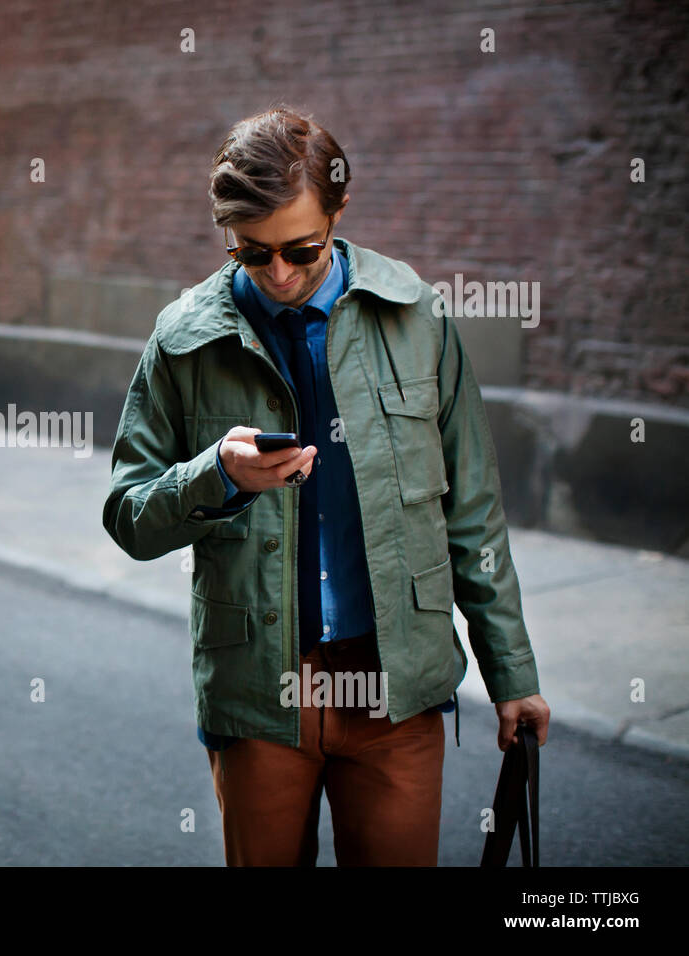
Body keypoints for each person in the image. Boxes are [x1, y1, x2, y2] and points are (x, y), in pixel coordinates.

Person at [102, 106, 550, 866]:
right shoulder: (182, 340)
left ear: (340, 210)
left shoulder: (418, 319)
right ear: (225, 233)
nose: (277, 274)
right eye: (251, 253)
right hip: (258, 697)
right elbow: (129, 515)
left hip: (395, 688)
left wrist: (512, 673)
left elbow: (471, 513)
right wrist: (214, 476)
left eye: (301, 250)